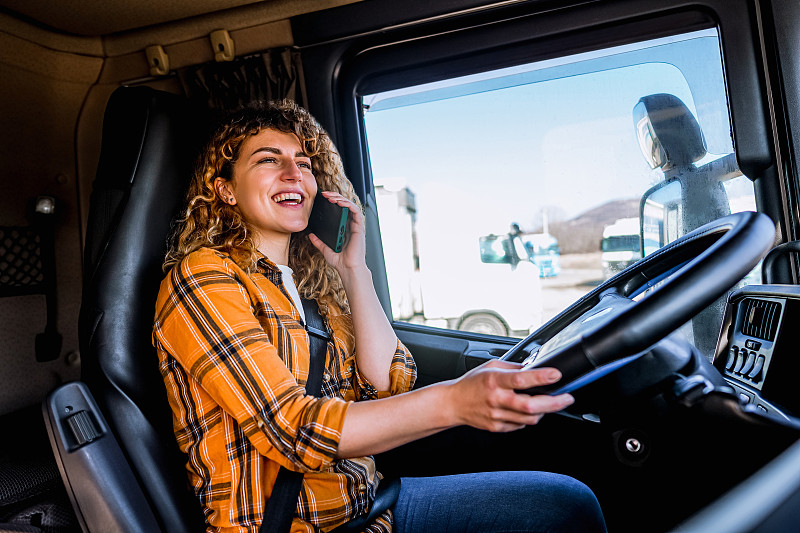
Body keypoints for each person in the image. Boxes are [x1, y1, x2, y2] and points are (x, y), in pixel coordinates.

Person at [153, 99, 607, 533]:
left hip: (370, 507)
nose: (294, 172)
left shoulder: (310, 289)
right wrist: (453, 402)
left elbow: (386, 383)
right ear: (225, 189)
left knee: (566, 504)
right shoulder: (203, 276)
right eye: (269, 160)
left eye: (305, 163)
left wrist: (355, 271)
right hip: (292, 526)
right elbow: (290, 429)